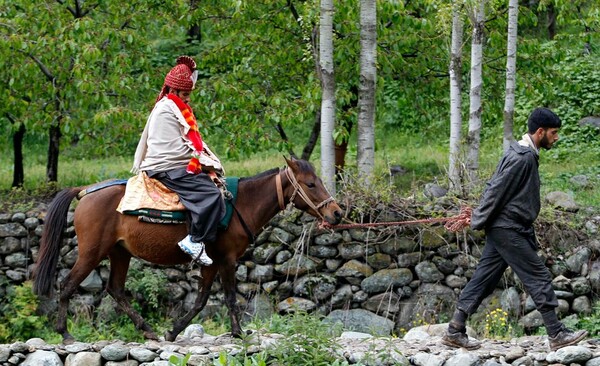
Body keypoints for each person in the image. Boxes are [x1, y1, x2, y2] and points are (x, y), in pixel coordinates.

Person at [442, 107, 588, 351]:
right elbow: (496, 190)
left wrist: (479, 216)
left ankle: (455, 330)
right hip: (509, 230)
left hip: (504, 228)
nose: (556, 137)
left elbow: (494, 187)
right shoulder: (524, 158)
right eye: (553, 133)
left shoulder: (518, 152)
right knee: (538, 276)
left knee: (484, 279)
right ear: (540, 132)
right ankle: (556, 333)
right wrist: (477, 218)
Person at [131, 56, 225, 266]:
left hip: (172, 164)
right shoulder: (167, 109)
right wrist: (204, 161)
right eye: (185, 94)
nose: (188, 98)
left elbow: (185, 144)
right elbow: (173, 150)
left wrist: (203, 160)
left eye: (189, 94)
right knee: (210, 193)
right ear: (173, 91)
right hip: (166, 168)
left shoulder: (174, 107)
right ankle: (195, 240)